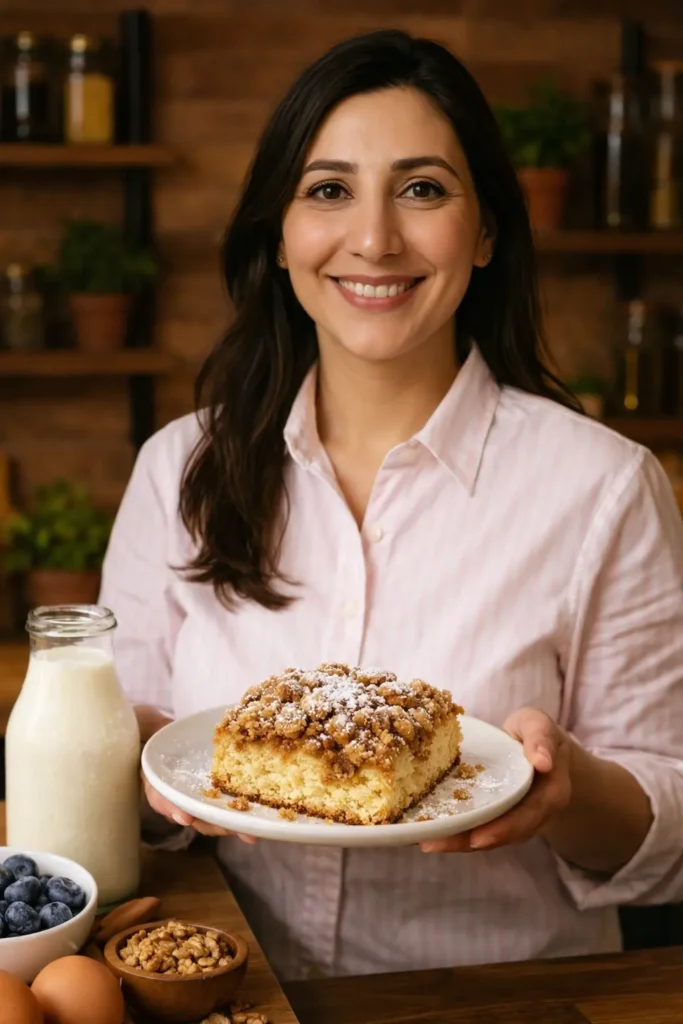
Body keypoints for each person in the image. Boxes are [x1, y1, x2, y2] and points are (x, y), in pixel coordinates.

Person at [100, 29, 683, 982]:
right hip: (239, 990)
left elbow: (671, 828)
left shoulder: (604, 487)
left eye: (422, 188)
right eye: (328, 190)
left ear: (486, 229)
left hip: (505, 1001)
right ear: (279, 234)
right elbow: (136, 769)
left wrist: (567, 789)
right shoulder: (179, 468)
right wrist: (109, 754)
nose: (373, 238)